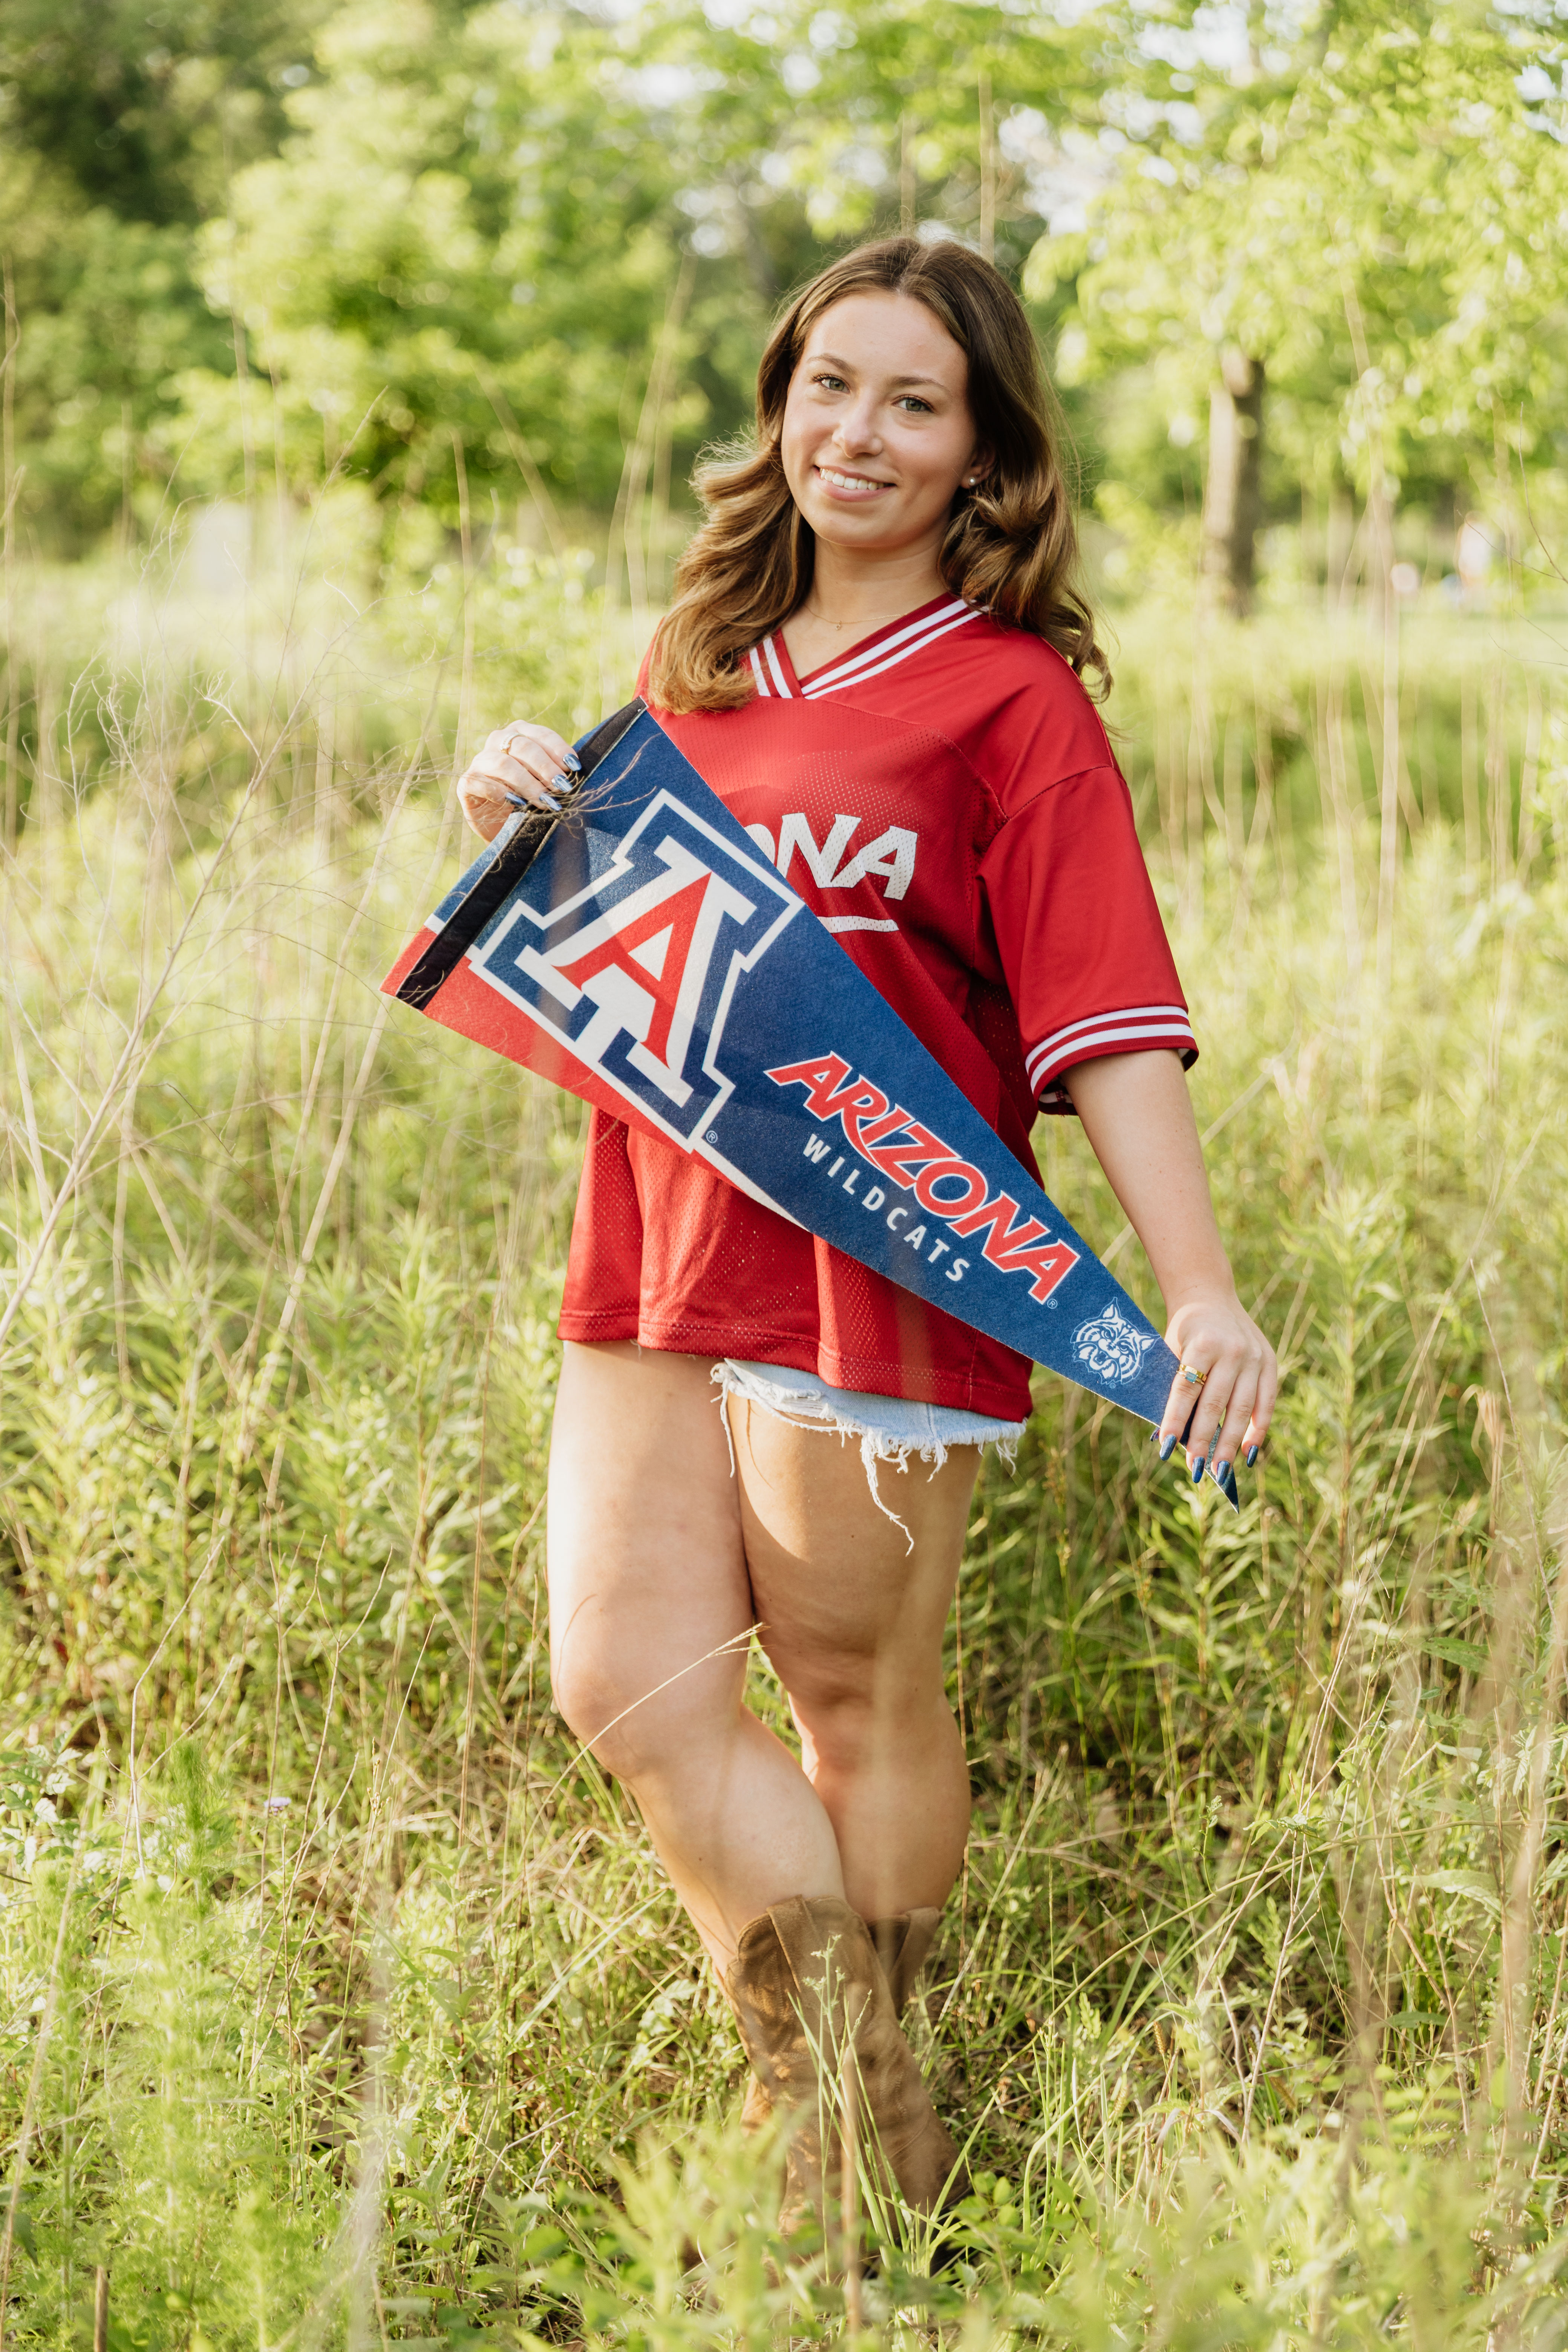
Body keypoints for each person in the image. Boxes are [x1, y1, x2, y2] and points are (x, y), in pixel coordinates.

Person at [456, 236, 1278, 2237]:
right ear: (780, 402)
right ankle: (865, 2113)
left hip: (891, 1249)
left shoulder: (1012, 707)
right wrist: (518, 806)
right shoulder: (699, 660)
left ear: (984, 449)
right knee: (625, 1686)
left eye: (917, 402)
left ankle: (839, 2164)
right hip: (656, 1242)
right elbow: (619, 935)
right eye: (832, 385)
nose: (861, 433)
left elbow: (1108, 1018)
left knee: (852, 1695)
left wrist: (1200, 1292)